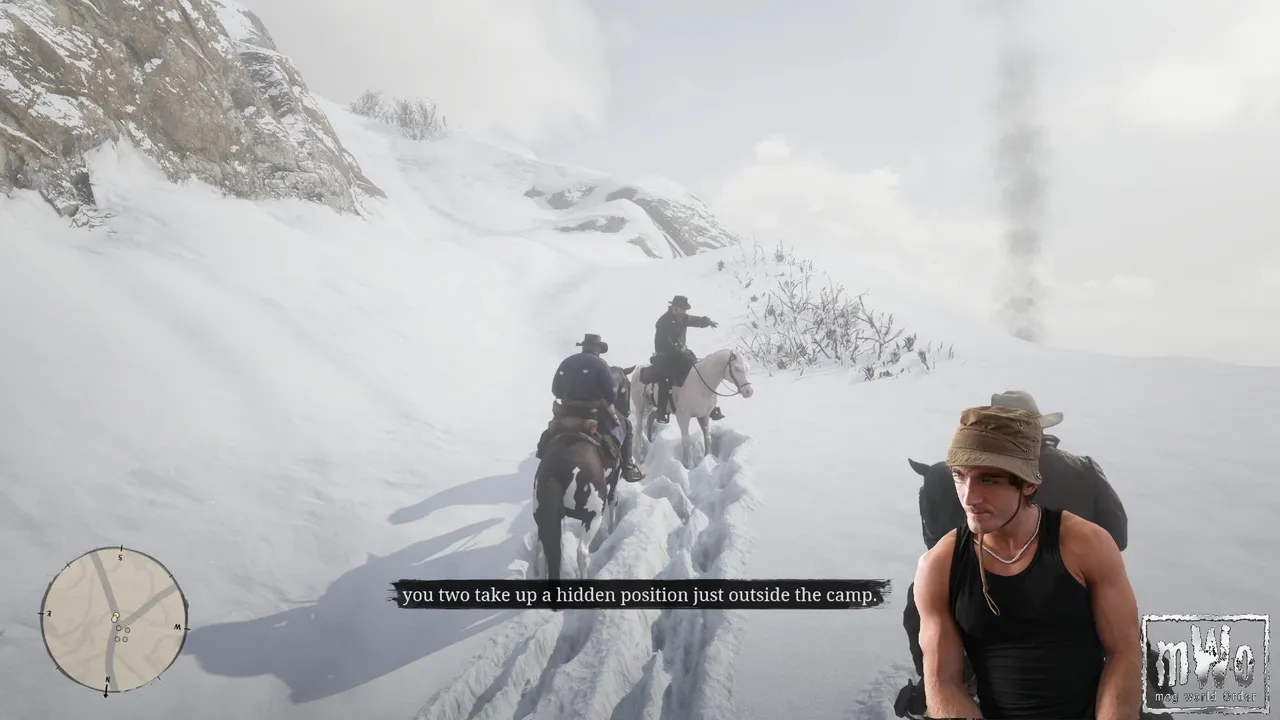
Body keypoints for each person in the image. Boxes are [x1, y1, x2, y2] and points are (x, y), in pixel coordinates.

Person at [895, 390, 1134, 718]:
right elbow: (1118, 534)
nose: (969, 497)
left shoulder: (1086, 541)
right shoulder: (1084, 470)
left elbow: (931, 535)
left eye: (989, 481)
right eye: (960, 477)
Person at [536, 334, 644, 482]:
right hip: (592, 413)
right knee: (628, 426)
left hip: (567, 413)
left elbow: (555, 390)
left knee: (549, 434)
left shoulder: (567, 362)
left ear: (584, 346)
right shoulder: (600, 364)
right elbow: (612, 395)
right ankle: (628, 468)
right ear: (598, 348)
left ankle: (542, 450)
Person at [652, 295, 719, 423]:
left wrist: (706, 321)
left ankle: (710, 407)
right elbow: (664, 343)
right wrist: (678, 352)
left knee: (699, 369)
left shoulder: (682, 318)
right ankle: (661, 411)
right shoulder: (663, 322)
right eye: (682, 309)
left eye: (684, 309)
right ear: (674, 308)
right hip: (665, 355)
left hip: (682, 353)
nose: (684, 312)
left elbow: (694, 320)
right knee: (665, 379)